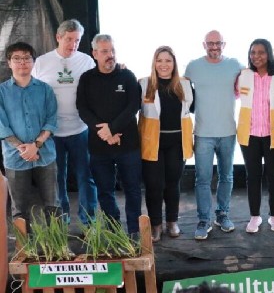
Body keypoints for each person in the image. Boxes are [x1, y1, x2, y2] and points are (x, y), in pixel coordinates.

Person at [32, 19, 98, 226]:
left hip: (80, 129)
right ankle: (62, 218)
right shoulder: (41, 62)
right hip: (52, 133)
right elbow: (32, 92)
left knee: (86, 176)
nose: (73, 44)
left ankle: (88, 222)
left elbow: (99, 86)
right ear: (58, 38)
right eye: (69, 39)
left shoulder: (87, 61)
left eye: (77, 40)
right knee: (56, 178)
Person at [76, 34, 142, 235]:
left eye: (112, 50)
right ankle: (114, 232)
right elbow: (82, 108)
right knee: (105, 191)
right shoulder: (86, 79)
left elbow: (133, 105)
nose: (110, 55)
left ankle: (134, 231)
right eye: (105, 51)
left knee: (132, 189)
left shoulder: (127, 76)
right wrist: (103, 132)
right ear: (95, 54)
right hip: (99, 147)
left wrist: (112, 129)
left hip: (128, 144)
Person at [184, 30, 244, 240]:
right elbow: (176, 86)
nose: (214, 46)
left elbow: (256, 77)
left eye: (218, 43)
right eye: (210, 43)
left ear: (224, 44)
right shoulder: (193, 67)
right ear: (204, 45)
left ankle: (222, 214)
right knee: (203, 179)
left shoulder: (235, 65)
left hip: (228, 132)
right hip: (203, 133)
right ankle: (204, 220)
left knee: (227, 176)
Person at [139, 46, 195, 242]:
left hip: (177, 142)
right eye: (159, 60)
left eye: (168, 60)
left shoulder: (185, 84)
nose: (164, 64)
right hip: (152, 142)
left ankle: (172, 221)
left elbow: (193, 108)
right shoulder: (143, 84)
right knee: (154, 185)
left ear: (174, 63)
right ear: (154, 63)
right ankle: (155, 225)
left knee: (172, 183)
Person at [0, 42, 59, 225]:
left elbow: (51, 120)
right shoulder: (1, 92)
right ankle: (24, 243)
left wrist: (36, 145)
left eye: (27, 58)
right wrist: (23, 148)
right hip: (14, 157)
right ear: (9, 63)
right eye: (17, 58)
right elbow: (1, 125)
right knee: (19, 209)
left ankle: (57, 242)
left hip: (45, 155)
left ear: (33, 62)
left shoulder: (45, 89)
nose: (22, 62)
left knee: (53, 205)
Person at [237, 39, 274, 233]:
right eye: (253, 52)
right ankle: (255, 216)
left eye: (261, 52)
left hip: (273, 134)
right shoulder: (243, 75)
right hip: (249, 134)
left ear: (269, 54)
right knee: (253, 176)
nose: (256, 56)